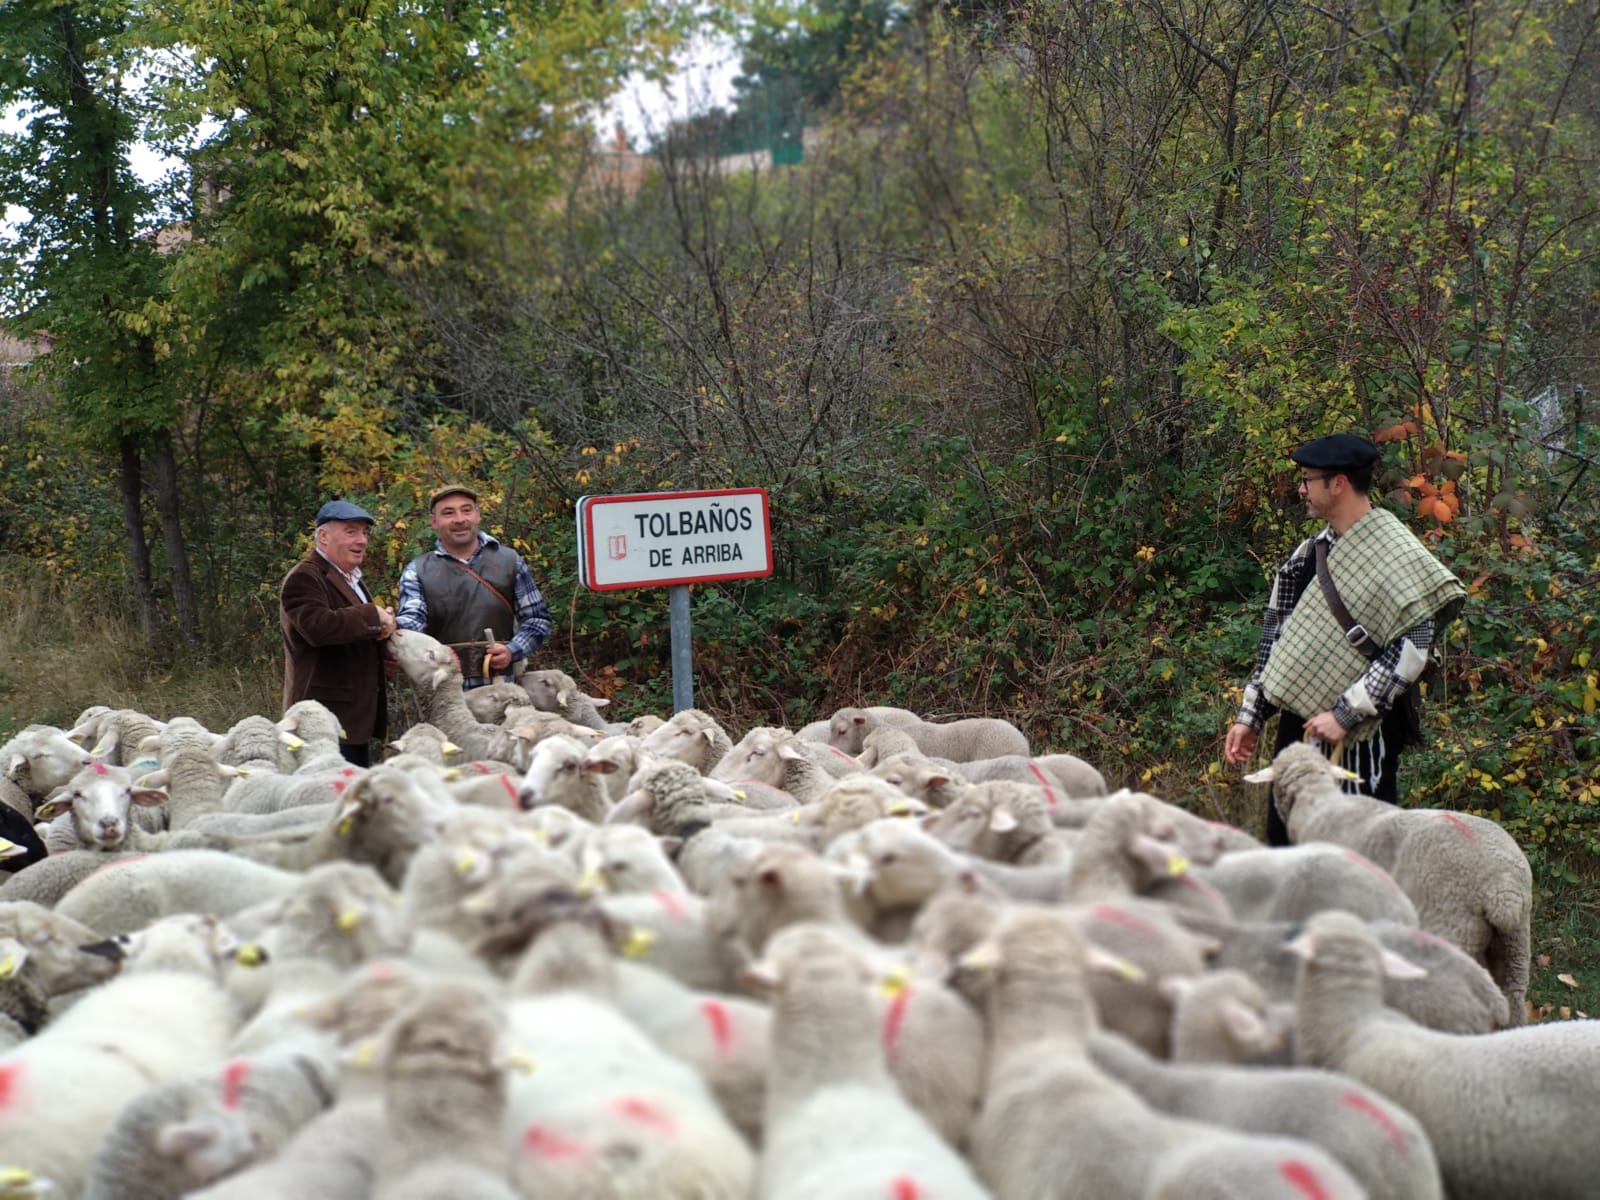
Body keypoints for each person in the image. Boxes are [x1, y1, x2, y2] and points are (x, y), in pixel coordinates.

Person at [1224, 434, 1466, 846]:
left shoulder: (1397, 552)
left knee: (1359, 855)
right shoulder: (1306, 556)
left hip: (1361, 736)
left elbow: (1414, 647)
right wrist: (1252, 715)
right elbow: (1275, 642)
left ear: (1337, 483)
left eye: (1307, 479)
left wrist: (1344, 714)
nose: (1301, 488)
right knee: (1288, 847)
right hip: (1298, 731)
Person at [395, 484, 553, 690]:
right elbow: (412, 624)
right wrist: (389, 625)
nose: (460, 519)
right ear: (434, 522)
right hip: (443, 691)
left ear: (477, 515)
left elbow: (537, 619)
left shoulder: (510, 560)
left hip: (502, 691)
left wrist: (512, 651)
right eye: (448, 513)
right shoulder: (417, 570)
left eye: (466, 510)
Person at [279, 500, 398, 766]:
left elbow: (350, 636)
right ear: (323, 537)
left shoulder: (349, 577)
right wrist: (373, 615)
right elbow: (317, 627)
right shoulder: (304, 577)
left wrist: (383, 657)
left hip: (351, 720)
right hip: (320, 722)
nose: (362, 540)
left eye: (365, 533)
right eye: (351, 531)